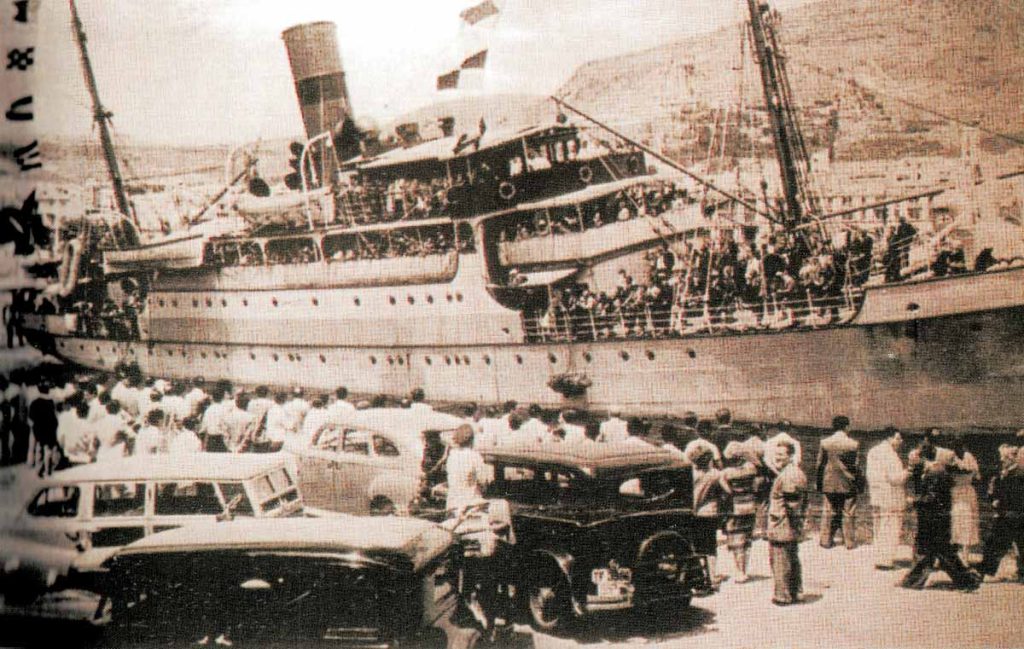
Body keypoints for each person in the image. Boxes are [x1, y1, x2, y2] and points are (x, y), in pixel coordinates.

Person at [900, 443, 980, 591]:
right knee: (936, 552)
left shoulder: (936, 472)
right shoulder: (931, 470)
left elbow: (932, 498)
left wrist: (914, 501)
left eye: (913, 458)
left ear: (923, 457)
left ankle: (967, 580)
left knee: (936, 552)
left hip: (935, 519)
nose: (910, 461)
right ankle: (966, 580)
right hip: (933, 518)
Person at [974, 445, 1024, 582]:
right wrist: (994, 498)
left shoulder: (1018, 474)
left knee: (995, 543)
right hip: (1010, 513)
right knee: (999, 543)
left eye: (1005, 457)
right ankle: (984, 571)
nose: (1001, 459)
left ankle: (983, 572)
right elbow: (995, 491)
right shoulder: (1004, 473)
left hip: (1011, 514)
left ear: (1012, 458)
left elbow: (1015, 495)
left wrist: (1000, 503)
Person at [767, 440, 808, 606]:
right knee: (791, 559)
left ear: (790, 456)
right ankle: (796, 592)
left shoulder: (789, 475)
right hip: (788, 523)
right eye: (776, 454)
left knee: (780, 560)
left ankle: (783, 596)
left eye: (781, 455)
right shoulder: (794, 472)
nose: (777, 458)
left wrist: (795, 524)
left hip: (783, 523)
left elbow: (793, 504)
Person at [865, 428, 908, 570]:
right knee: (891, 528)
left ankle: (880, 558)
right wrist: (910, 471)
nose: (900, 441)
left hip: (877, 495)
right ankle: (885, 560)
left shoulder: (874, 451)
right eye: (898, 438)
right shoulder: (889, 454)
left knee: (879, 528)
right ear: (890, 438)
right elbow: (895, 478)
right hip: (890, 496)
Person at [816, 416, 861, 549]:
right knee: (848, 512)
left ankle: (825, 540)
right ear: (846, 426)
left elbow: (820, 464)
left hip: (829, 481)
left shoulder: (825, 442)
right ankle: (850, 542)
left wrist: (819, 482)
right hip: (848, 481)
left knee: (828, 511)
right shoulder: (853, 444)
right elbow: (856, 466)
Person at [722, 441, 763, 583]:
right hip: (750, 507)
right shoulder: (751, 469)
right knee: (746, 540)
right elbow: (756, 485)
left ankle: (740, 572)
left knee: (736, 542)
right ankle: (745, 569)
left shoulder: (726, 473)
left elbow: (727, 492)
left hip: (736, 508)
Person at [689, 446, 727, 584]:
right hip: (709, 511)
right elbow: (727, 490)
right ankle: (712, 576)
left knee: (696, 546)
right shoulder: (715, 474)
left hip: (692, 512)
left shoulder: (690, 474)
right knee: (710, 547)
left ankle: (699, 576)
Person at [948, 435, 981, 564]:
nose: (956, 450)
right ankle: (954, 556)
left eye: (958, 447)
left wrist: (967, 472)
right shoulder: (951, 458)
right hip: (956, 492)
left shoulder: (968, 457)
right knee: (954, 522)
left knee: (967, 523)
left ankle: (965, 557)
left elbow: (977, 476)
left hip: (967, 492)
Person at [445, 424, 491, 513]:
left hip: (452, 504)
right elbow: (483, 482)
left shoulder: (452, 455)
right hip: (469, 505)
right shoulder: (475, 456)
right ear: (472, 440)